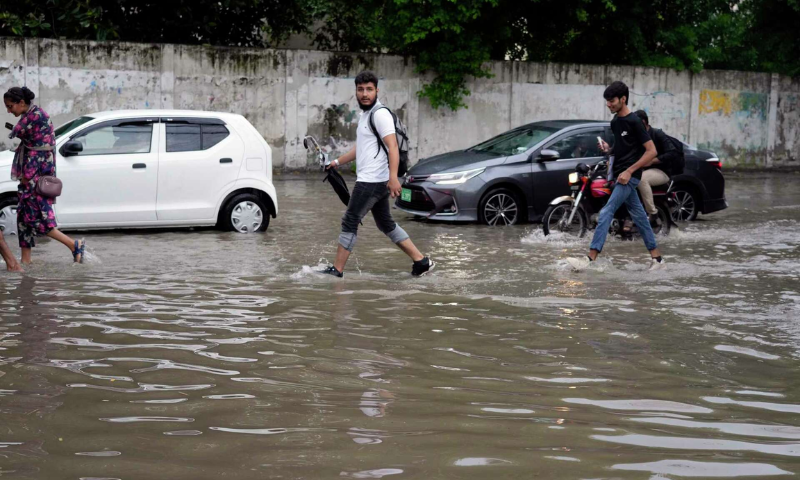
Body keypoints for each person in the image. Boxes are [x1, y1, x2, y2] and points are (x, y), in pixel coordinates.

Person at [318, 71, 433, 277]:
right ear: (356, 92)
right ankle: (421, 261)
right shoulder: (366, 115)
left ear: (376, 91)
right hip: (377, 181)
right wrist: (335, 162)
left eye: (369, 89)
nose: (365, 94)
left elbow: (393, 147)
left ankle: (337, 270)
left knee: (350, 220)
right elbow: (360, 148)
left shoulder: (380, 114)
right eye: (361, 90)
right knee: (385, 223)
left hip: (372, 180)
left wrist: (393, 178)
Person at [567, 81, 665, 271]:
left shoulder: (635, 121)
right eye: (607, 101)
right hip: (619, 175)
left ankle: (590, 259)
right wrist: (609, 149)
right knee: (640, 217)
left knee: (606, 211)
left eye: (611, 101)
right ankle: (658, 260)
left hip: (629, 176)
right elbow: (623, 149)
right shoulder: (615, 122)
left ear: (623, 99)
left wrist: (629, 171)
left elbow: (651, 151)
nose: (608, 104)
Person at [4, 87, 85, 264]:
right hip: (31, 171)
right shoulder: (32, 115)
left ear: (22, 103)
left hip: (36, 173)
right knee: (23, 217)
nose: (9, 111)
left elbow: (16, 132)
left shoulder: (35, 115)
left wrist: (27, 175)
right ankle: (26, 261)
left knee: (34, 217)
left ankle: (73, 244)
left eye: (10, 106)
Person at [633, 110, 679, 225]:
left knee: (642, 179)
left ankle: (653, 212)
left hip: (661, 171)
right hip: (642, 170)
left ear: (643, 122)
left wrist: (653, 161)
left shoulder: (657, 134)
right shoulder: (637, 136)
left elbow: (672, 153)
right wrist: (608, 149)